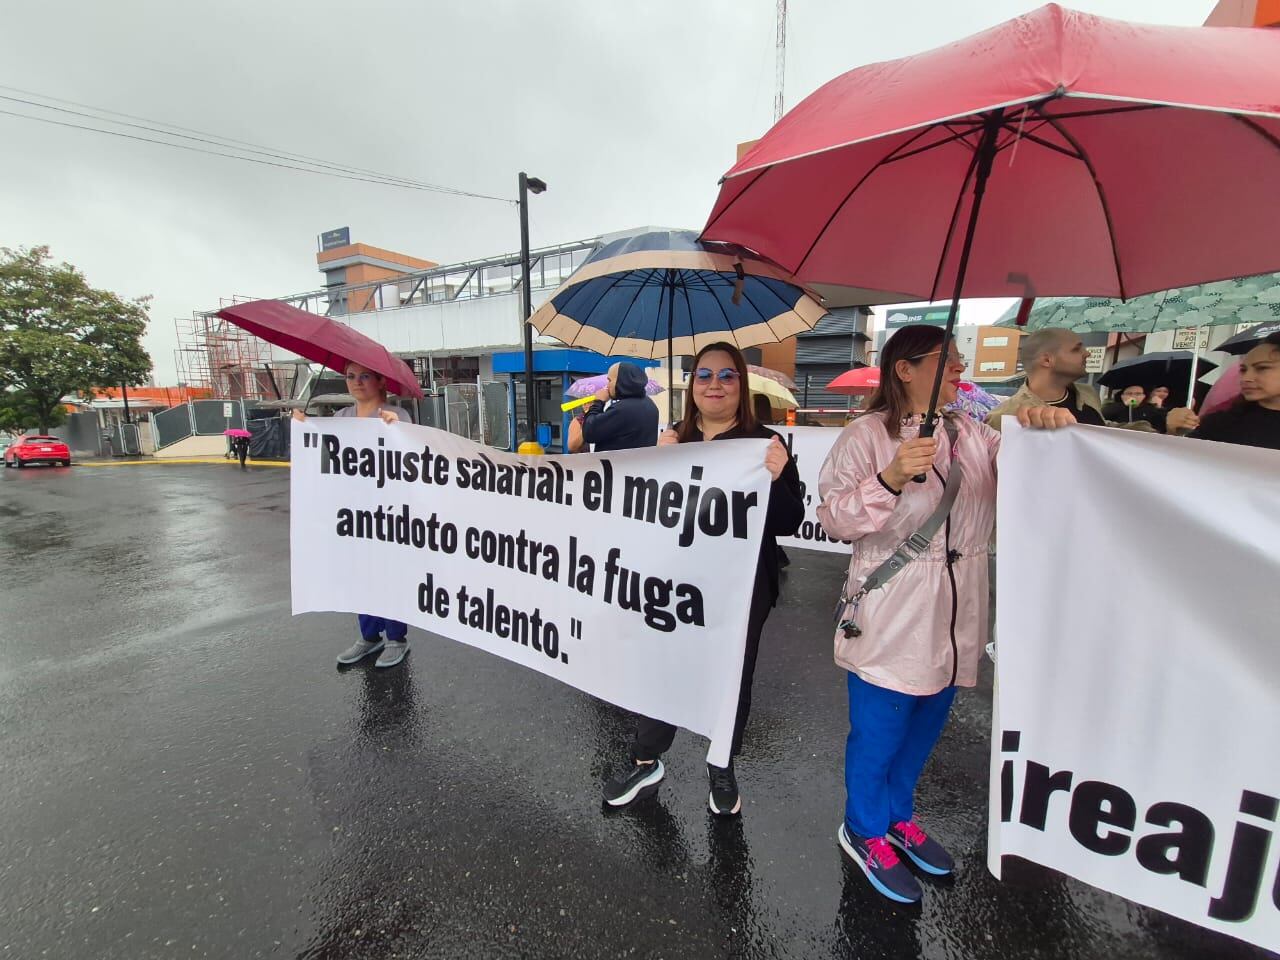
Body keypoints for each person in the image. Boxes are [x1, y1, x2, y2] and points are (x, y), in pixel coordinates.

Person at [816, 325, 1072, 904]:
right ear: (905, 369)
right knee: (880, 733)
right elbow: (835, 520)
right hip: (893, 610)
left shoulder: (974, 433)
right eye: (947, 359)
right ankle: (863, 828)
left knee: (925, 727)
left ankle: (897, 817)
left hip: (959, 613)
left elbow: (1033, 479)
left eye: (960, 359)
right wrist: (889, 479)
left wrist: (1045, 429)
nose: (961, 368)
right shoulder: (865, 436)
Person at [602, 342, 804, 816]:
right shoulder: (673, 438)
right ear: (692, 385)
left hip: (742, 590)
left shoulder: (766, 443)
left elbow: (789, 520)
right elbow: (643, 516)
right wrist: (658, 464)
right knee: (665, 666)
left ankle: (722, 765)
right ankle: (646, 758)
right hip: (676, 583)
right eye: (705, 375)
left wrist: (778, 477)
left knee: (734, 674)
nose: (715, 384)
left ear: (741, 384)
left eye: (727, 375)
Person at [293, 362, 413, 669]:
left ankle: (396, 638)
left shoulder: (397, 415)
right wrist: (304, 425)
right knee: (360, 574)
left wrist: (397, 429)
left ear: (381, 381)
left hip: (386, 513)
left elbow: (409, 458)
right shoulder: (340, 418)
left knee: (387, 574)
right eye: (350, 376)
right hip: (352, 512)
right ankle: (369, 636)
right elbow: (326, 456)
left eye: (365, 376)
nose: (356, 382)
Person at [985, 328, 1197, 434]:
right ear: (1047, 360)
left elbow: (1104, 431)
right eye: (1076, 349)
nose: (1087, 353)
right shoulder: (1005, 418)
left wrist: (1163, 425)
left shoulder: (1086, 393)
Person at [1184, 333, 1280, 450]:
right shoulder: (1219, 423)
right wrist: (1176, 433)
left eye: (1262, 368)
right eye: (1243, 370)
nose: (1246, 378)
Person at [579, 362, 659, 452]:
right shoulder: (650, 404)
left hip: (617, 460)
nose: (607, 385)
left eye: (610, 380)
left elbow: (589, 433)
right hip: (642, 459)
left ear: (621, 381)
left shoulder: (622, 409)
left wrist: (598, 403)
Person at [1100, 385, 1169, 432]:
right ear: (1122, 396)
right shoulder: (1114, 407)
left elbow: (1162, 428)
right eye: (1129, 393)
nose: (1133, 396)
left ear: (1143, 396)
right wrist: (1123, 406)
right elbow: (1102, 417)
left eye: (1138, 394)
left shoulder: (1150, 409)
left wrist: (1159, 408)